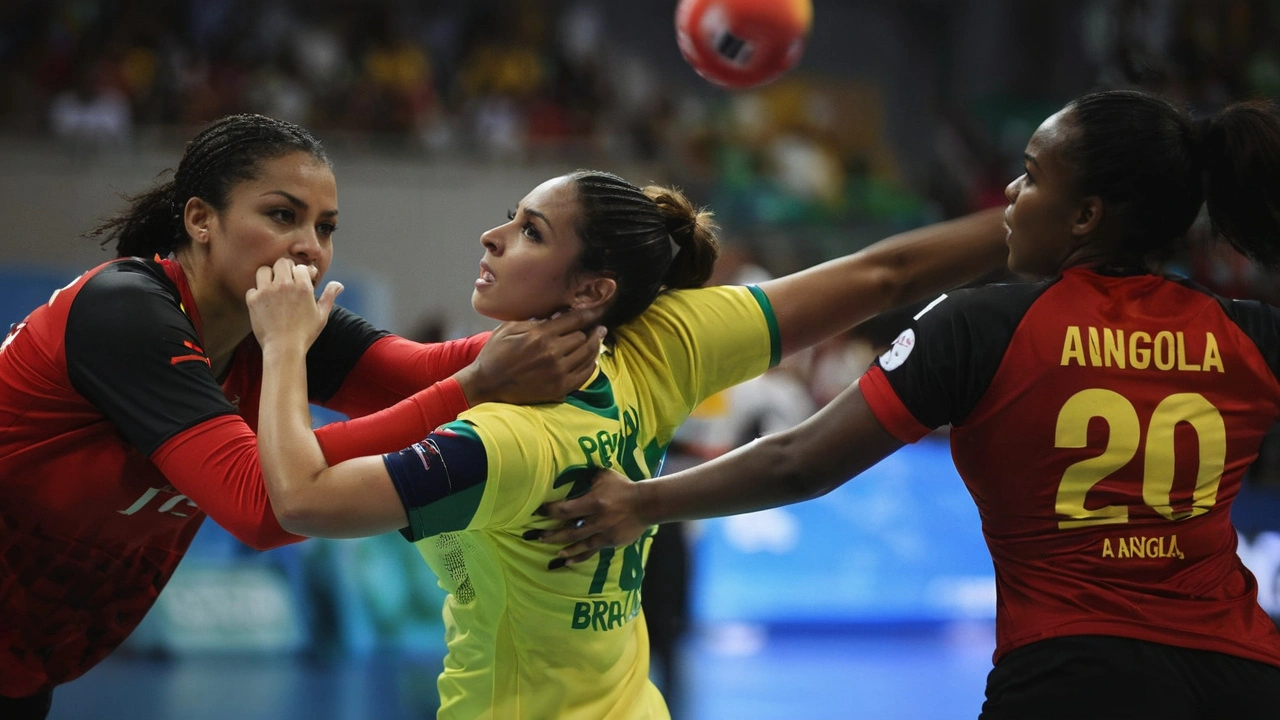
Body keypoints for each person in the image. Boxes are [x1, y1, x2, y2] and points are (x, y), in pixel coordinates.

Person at [540, 90, 1280, 719]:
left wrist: (641, 502)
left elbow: (802, 462)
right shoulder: (1251, 336)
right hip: (1245, 675)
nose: (1009, 199)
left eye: (1028, 177)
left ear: (1085, 217)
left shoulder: (980, 328)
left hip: (1072, 678)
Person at [246, 167, 1008, 718]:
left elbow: (304, 500)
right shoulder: (663, 342)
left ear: (591, 289)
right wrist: (1027, 221)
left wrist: (283, 345)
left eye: (529, 231)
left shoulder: (508, 437)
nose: (494, 235)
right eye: (513, 217)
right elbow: (885, 273)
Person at [0, 113, 603, 719]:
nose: (310, 248)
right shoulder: (125, 313)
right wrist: (478, 386)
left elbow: (421, 376)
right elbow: (266, 504)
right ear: (200, 220)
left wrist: (597, 310)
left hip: (28, 658)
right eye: (283, 216)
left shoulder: (277, 321)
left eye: (325, 227)